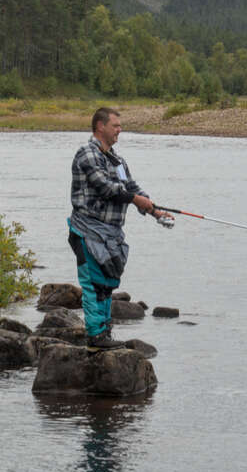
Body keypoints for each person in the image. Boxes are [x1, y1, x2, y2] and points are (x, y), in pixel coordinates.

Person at [68, 107, 172, 349]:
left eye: (120, 126)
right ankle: (95, 336)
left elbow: (131, 187)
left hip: (110, 234)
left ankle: (104, 333)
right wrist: (136, 200)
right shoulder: (87, 153)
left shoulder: (118, 160)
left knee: (106, 284)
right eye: (115, 126)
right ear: (100, 126)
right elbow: (106, 188)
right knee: (93, 283)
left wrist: (154, 211)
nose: (119, 130)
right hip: (87, 229)